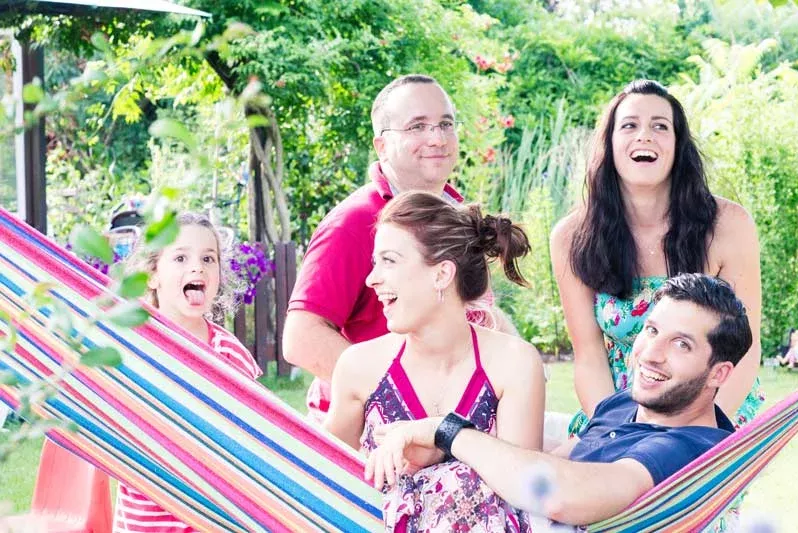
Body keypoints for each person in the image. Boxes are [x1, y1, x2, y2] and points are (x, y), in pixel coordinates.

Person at [366, 274, 751, 528]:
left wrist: (448, 432)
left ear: (719, 373)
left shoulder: (692, 451)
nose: (651, 353)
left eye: (681, 344)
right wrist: (444, 452)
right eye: (651, 330)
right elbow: (557, 461)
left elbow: (558, 494)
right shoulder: (625, 404)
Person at [284, 74, 514, 423]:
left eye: (445, 124)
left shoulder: (453, 212)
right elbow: (302, 338)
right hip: (369, 439)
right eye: (417, 126)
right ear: (382, 145)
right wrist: (400, 403)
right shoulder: (355, 221)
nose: (436, 138)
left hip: (451, 427)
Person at [549, 79, 763, 436]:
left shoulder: (729, 225)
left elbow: (746, 348)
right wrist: (619, 433)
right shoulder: (572, 237)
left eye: (660, 126)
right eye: (629, 125)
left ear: (679, 146)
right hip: (619, 411)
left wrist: (695, 435)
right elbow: (589, 358)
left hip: (712, 411)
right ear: (610, 143)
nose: (644, 136)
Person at [325, 191, 545, 531]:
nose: (372, 278)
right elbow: (324, 480)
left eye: (389, 261)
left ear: (441, 274)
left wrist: (439, 445)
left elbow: (522, 487)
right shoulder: (359, 367)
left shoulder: (512, 363)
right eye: (374, 262)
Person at [113, 212, 261, 533]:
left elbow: (254, 437)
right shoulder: (131, 348)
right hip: (146, 518)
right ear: (153, 275)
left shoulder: (229, 356)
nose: (198, 267)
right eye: (181, 257)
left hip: (215, 515)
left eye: (209, 259)